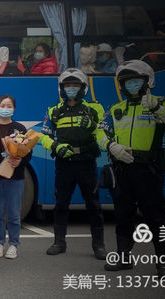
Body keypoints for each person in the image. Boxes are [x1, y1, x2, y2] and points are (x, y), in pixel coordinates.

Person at [97, 60, 165, 277]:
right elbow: (100, 132)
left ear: (147, 81)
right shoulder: (116, 109)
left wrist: (156, 107)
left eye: (136, 81)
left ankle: (164, 263)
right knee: (123, 215)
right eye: (127, 82)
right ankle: (124, 258)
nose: (131, 85)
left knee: (155, 216)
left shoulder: (163, 104)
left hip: (148, 170)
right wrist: (111, 146)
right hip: (123, 168)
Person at [39, 68, 106, 259]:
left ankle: (99, 245)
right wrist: (55, 146)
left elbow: (103, 133)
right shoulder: (54, 111)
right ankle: (59, 242)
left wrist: (92, 126)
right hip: (64, 163)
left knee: (93, 204)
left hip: (87, 162)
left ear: (83, 88)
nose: (71, 89)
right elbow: (44, 136)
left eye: (75, 85)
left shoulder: (95, 109)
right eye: (68, 85)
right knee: (60, 203)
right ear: (62, 88)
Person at [0, 94, 32, 259]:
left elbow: (28, 152)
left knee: (14, 213)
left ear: (14, 109)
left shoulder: (19, 128)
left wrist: (20, 161)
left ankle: (14, 244)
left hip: (15, 177)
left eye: (9, 106)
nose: (5, 108)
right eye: (3, 105)